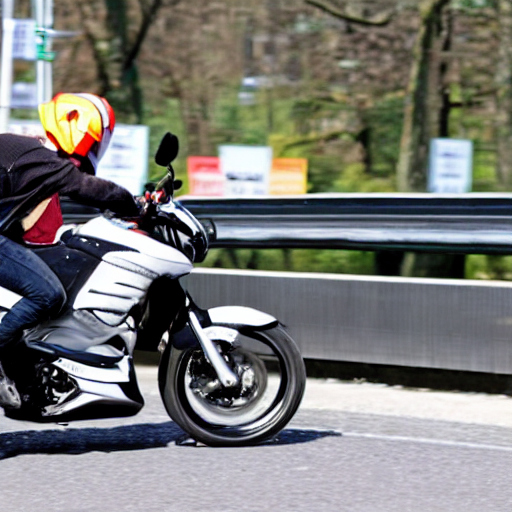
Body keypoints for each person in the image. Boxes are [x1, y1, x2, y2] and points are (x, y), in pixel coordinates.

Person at [0, 92, 141, 408]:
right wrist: (136, 206)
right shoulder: (45, 161)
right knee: (48, 294)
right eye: (97, 139)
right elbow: (91, 189)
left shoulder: (31, 151)